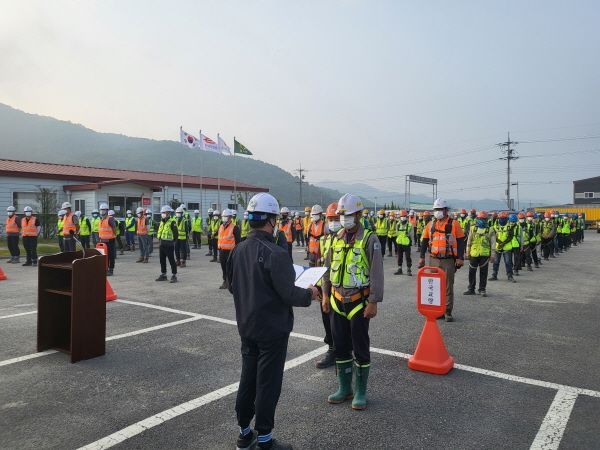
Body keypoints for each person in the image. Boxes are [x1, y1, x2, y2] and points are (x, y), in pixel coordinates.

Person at [226, 193, 319, 450]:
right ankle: (265, 439)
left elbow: (233, 286)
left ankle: (244, 433)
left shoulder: (238, 249)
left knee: (248, 378)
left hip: (247, 325)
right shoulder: (275, 253)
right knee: (268, 382)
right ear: (271, 220)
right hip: (272, 330)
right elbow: (290, 294)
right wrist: (310, 293)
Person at [322, 193, 383, 410]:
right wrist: (325, 295)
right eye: (341, 215)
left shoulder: (369, 239)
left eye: (347, 214)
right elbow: (327, 269)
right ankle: (344, 388)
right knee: (340, 346)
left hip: (358, 301)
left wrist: (373, 301)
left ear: (358, 214)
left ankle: (360, 391)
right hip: (337, 300)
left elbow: (376, 273)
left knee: (360, 347)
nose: (343, 218)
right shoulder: (336, 237)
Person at [418, 198, 465, 322]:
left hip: (448, 260)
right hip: (433, 260)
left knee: (448, 286)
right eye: (436, 209)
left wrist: (460, 258)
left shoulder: (454, 224)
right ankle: (438, 311)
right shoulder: (430, 224)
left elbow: (461, 241)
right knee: (434, 286)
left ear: (446, 210)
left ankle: (448, 311)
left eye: (440, 209)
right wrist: (422, 257)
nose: (437, 212)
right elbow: (424, 240)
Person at [313, 202, 340, 369]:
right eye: (331, 219)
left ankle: (344, 350)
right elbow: (320, 263)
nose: (333, 222)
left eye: (336, 218)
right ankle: (332, 349)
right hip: (325, 287)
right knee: (327, 319)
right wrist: (317, 287)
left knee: (341, 323)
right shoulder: (324, 239)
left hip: (342, 288)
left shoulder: (348, 239)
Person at [464, 211, 494, 297]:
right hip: (474, 253)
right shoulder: (473, 228)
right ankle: (471, 289)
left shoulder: (490, 229)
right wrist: (467, 252)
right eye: (480, 218)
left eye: (483, 219)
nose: (482, 220)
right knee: (472, 272)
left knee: (484, 273)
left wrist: (492, 255)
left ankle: (482, 289)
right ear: (477, 219)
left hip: (484, 254)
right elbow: (469, 241)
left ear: (486, 219)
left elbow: (493, 243)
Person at [489, 211, 516, 283]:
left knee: (508, 262)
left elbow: (511, 236)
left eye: (504, 218)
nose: (502, 219)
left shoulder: (510, 226)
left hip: (507, 247)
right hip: (498, 247)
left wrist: (503, 243)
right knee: (496, 262)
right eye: (501, 218)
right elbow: (493, 236)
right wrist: (499, 242)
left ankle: (510, 276)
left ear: (506, 218)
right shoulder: (495, 226)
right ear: (498, 218)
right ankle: (494, 275)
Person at [218, 209, 240, 289]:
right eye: (223, 217)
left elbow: (238, 241)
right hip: (221, 251)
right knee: (223, 267)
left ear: (230, 218)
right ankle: (225, 281)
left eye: (226, 217)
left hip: (230, 252)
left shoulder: (235, 228)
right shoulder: (221, 227)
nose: (224, 218)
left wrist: (237, 252)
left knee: (230, 268)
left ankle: (232, 282)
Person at [155, 205, 178, 283]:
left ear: (168, 213)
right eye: (162, 213)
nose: (162, 214)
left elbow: (176, 234)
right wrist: (159, 239)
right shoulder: (162, 221)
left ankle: (174, 275)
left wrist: (172, 241)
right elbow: (160, 231)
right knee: (162, 260)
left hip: (169, 244)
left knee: (171, 260)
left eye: (164, 212)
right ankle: (163, 274)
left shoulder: (172, 222)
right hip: (162, 243)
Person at [98, 204, 117, 276]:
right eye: (101, 210)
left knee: (111, 256)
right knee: (104, 256)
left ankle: (111, 269)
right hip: (103, 241)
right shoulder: (101, 219)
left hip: (110, 240)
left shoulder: (110, 219)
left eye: (103, 210)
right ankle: (105, 269)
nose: (102, 211)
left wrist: (114, 235)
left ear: (106, 210)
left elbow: (114, 228)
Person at [394, 210, 413, 276]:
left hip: (407, 243)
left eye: (404, 216)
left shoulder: (410, 225)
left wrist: (411, 242)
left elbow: (411, 235)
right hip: (399, 243)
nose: (402, 217)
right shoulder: (398, 224)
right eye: (401, 216)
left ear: (406, 217)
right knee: (399, 257)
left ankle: (409, 269)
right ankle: (400, 269)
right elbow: (397, 233)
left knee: (408, 257)